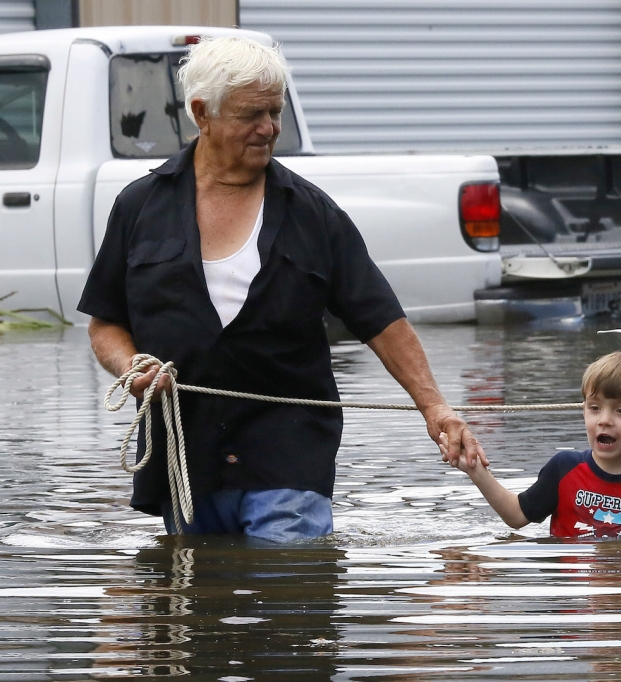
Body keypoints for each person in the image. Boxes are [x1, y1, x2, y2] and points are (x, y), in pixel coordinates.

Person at [78, 36, 484, 543]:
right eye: (252, 115)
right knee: (198, 606)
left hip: (289, 452)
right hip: (186, 454)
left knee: (291, 594)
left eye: (275, 111)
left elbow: (381, 320)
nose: (269, 128)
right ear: (202, 113)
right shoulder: (139, 206)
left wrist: (435, 407)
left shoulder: (313, 215)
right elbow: (105, 323)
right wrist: (132, 369)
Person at [443, 351, 621, 537]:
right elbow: (516, 516)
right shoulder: (563, 468)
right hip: (573, 603)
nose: (605, 421)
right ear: (584, 411)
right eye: (595, 408)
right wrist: (476, 470)